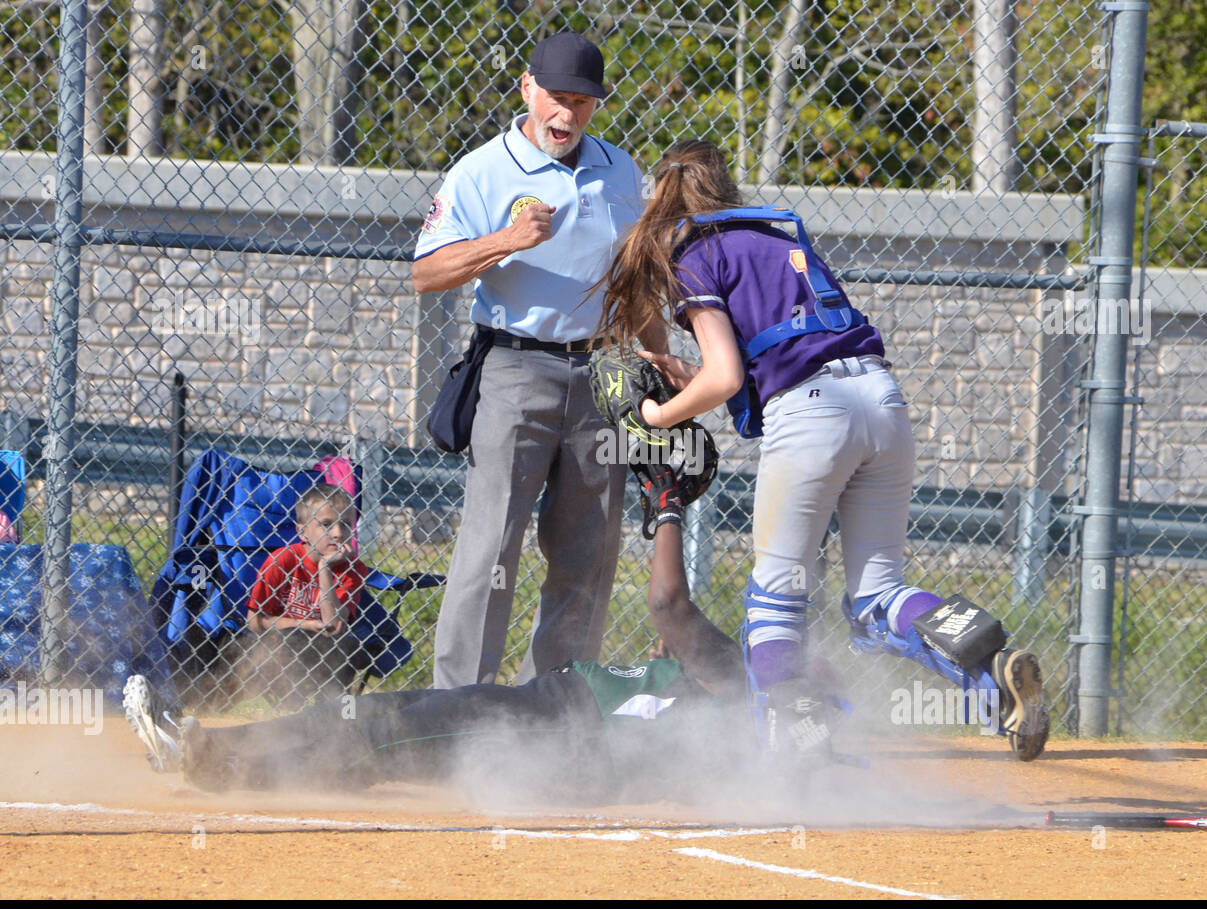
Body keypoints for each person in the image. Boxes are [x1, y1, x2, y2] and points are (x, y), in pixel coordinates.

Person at [593, 139, 1050, 761]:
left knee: (776, 598)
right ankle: (990, 667)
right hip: (880, 401)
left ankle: (798, 755)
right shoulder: (782, 235)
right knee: (875, 598)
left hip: (811, 416)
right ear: (727, 190)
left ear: (662, 195)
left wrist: (657, 414)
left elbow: (724, 378)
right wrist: (687, 375)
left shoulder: (693, 253)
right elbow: (772, 346)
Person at [122, 457, 811, 799]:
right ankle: (213, 752)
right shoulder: (737, 705)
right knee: (381, 732)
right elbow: (670, 649)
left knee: (384, 727)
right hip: (560, 715)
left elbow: (669, 605)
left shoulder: (754, 689)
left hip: (561, 728)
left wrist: (664, 503)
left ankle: (220, 761)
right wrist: (674, 662)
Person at [411, 31, 662, 690]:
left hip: (602, 374)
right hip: (516, 368)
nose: (566, 115)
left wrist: (661, 355)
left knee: (590, 549)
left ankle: (550, 705)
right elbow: (426, 272)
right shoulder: (482, 170)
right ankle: (459, 705)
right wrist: (506, 240)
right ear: (527, 87)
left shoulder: (620, 171)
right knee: (492, 543)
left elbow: (634, 281)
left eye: (581, 102)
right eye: (555, 97)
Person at [236, 482, 373, 709]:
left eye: (346, 524)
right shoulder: (283, 560)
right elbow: (254, 620)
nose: (338, 533)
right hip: (281, 644)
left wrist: (325, 568)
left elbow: (333, 624)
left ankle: (336, 718)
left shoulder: (354, 569)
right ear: (302, 531)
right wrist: (302, 624)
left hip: (328, 647)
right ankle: (292, 713)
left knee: (346, 644)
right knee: (293, 638)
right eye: (327, 525)